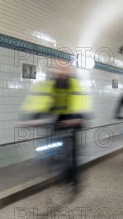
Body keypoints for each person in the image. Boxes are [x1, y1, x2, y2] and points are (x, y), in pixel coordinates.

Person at [20, 62, 91, 190]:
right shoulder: (50, 85)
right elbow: (40, 102)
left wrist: (78, 118)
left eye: (65, 71)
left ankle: (75, 182)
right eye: (59, 70)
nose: (62, 73)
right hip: (57, 119)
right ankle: (53, 167)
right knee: (49, 143)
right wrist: (30, 119)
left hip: (73, 119)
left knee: (73, 152)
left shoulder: (75, 85)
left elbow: (80, 103)